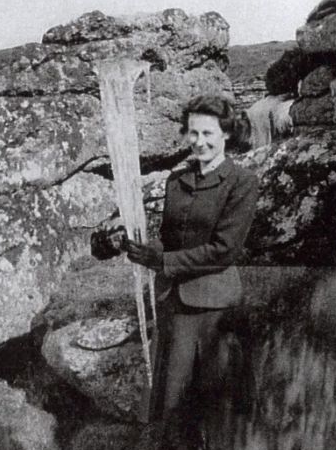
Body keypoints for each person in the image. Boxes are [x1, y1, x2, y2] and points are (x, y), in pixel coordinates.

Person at [92, 93, 258, 423]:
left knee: (216, 401)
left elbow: (224, 250)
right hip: (174, 305)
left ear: (226, 133)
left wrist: (163, 262)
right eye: (193, 133)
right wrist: (134, 245)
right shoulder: (177, 180)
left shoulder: (242, 183)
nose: (199, 142)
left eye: (208, 133)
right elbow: (171, 239)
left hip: (215, 308)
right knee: (173, 402)